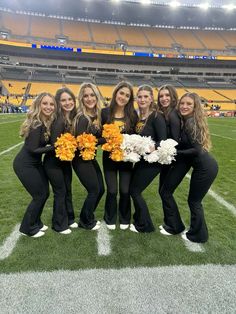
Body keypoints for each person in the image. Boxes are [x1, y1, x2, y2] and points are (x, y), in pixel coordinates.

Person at [159, 92, 218, 243]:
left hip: (205, 168)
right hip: (197, 164)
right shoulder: (187, 120)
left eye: (189, 104)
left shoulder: (191, 122)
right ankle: (177, 227)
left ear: (195, 107)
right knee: (170, 192)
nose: (184, 106)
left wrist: (173, 152)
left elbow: (196, 150)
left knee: (194, 201)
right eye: (182, 103)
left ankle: (199, 235)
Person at [13, 92, 57, 238]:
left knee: (45, 193)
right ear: (38, 104)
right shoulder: (37, 123)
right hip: (25, 165)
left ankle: (36, 222)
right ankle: (27, 228)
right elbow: (33, 149)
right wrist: (54, 147)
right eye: (45, 103)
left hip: (35, 163)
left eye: (51, 104)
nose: (48, 107)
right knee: (39, 195)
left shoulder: (45, 122)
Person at [130, 85, 167, 233]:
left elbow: (163, 141)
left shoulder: (156, 116)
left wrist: (150, 147)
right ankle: (138, 218)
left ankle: (145, 225)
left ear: (151, 98)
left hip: (152, 162)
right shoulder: (139, 116)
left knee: (135, 191)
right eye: (140, 97)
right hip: (140, 160)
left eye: (146, 96)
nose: (143, 99)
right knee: (133, 190)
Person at [101, 81, 138, 230]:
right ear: (116, 93)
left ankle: (124, 217)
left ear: (129, 99)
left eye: (127, 95)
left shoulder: (132, 115)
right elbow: (99, 134)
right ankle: (109, 217)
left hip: (126, 158)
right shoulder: (105, 112)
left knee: (124, 190)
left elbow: (135, 136)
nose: (123, 97)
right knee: (111, 190)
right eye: (121, 93)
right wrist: (108, 140)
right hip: (109, 157)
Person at [43, 87, 77, 235]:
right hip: (54, 163)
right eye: (63, 100)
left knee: (67, 190)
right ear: (58, 102)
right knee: (60, 192)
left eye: (70, 99)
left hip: (64, 162)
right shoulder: (58, 120)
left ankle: (69, 218)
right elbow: (55, 144)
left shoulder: (69, 118)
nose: (67, 102)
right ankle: (59, 224)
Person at [72, 82, 104, 230]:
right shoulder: (83, 118)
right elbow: (81, 143)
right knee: (94, 190)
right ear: (81, 99)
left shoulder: (96, 115)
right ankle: (85, 221)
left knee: (100, 189)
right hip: (81, 159)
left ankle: (87, 216)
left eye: (92, 95)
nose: (89, 98)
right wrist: (105, 140)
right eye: (86, 96)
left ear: (96, 97)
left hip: (90, 158)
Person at [157, 84, 183, 235]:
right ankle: (168, 223)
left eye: (167, 95)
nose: (164, 98)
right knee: (163, 191)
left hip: (173, 160)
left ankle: (175, 226)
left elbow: (175, 141)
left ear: (173, 97)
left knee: (165, 192)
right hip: (168, 160)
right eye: (161, 96)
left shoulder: (173, 114)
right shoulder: (167, 113)